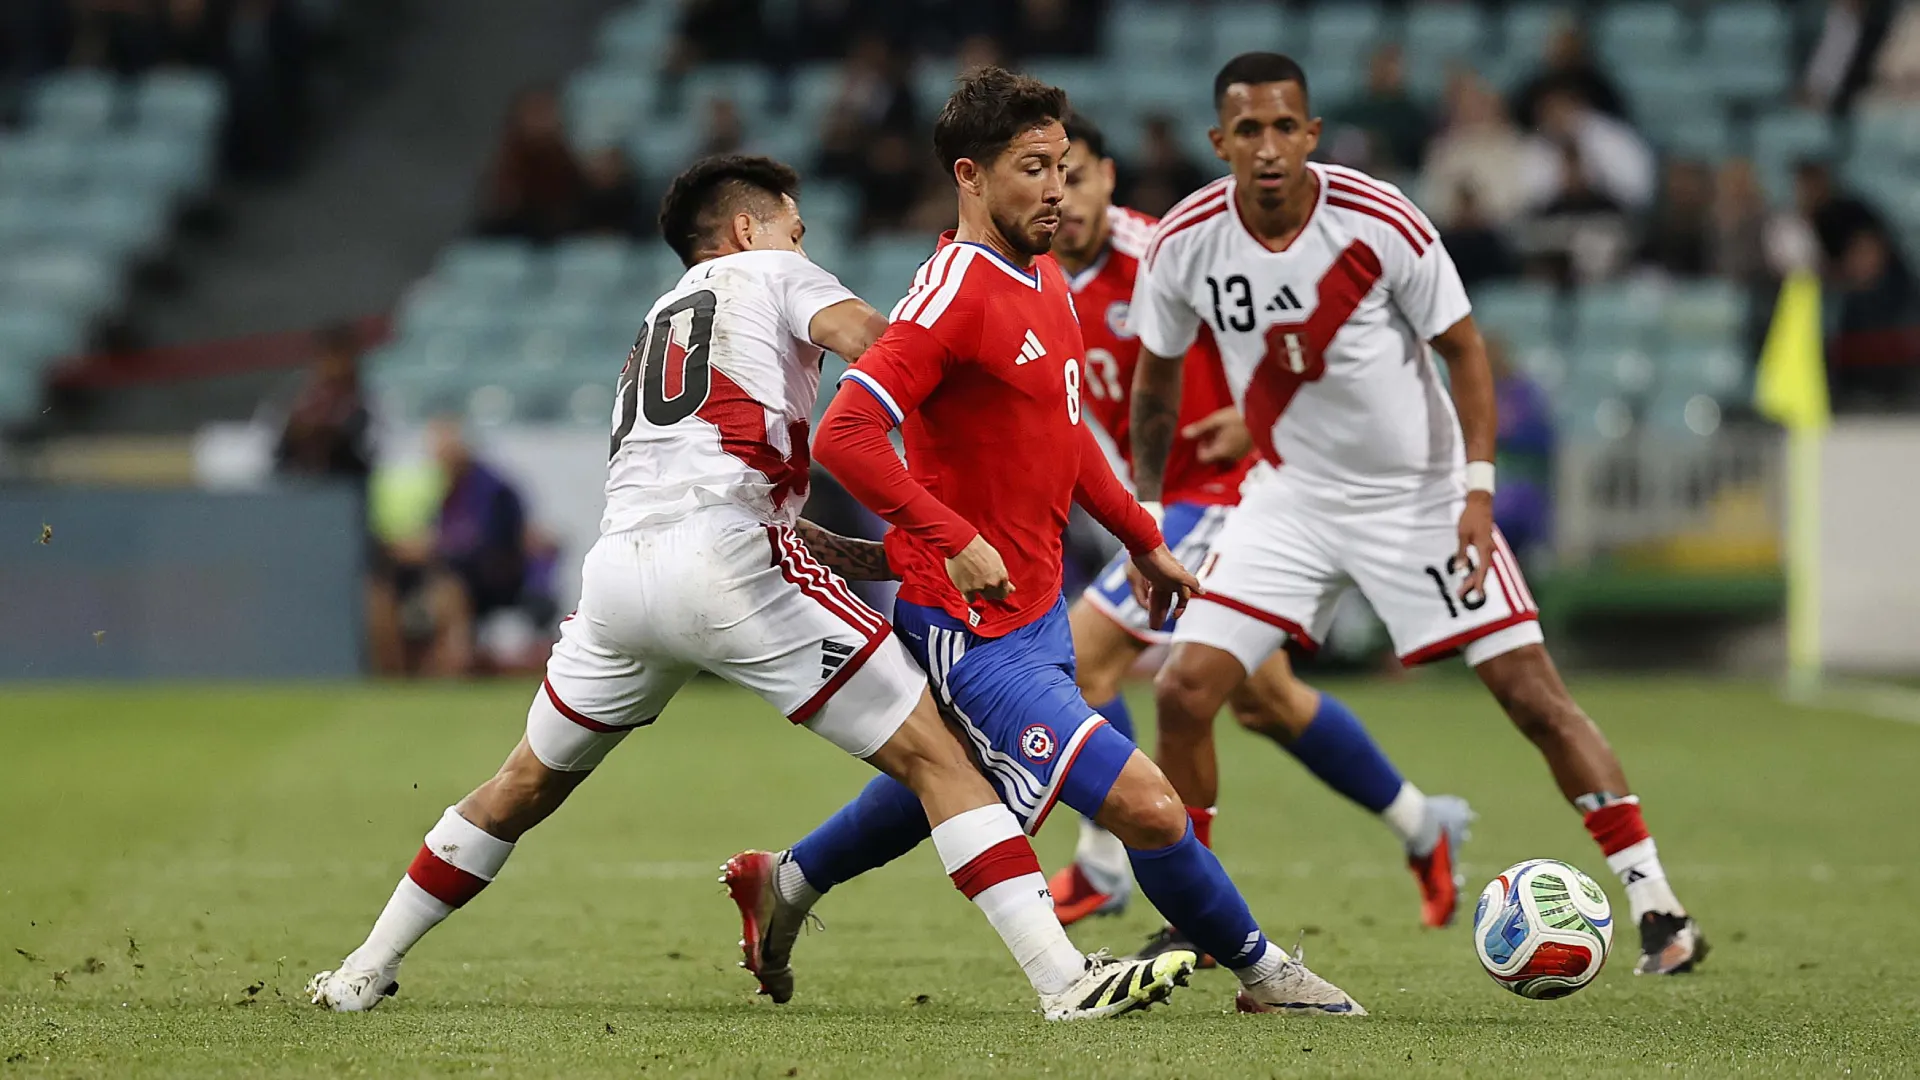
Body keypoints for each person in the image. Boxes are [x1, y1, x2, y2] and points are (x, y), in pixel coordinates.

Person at [312, 155, 1171, 1021]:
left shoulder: (661, 319)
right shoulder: (774, 270)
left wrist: (874, 550)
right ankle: (1062, 980)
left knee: (521, 785)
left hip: (621, 578)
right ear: (747, 229)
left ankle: (361, 969)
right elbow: (885, 347)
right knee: (942, 758)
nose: (804, 245)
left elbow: (713, 472)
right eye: (796, 228)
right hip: (728, 562)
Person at [722, 68, 1365, 1017]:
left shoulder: (1043, 272)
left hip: (1038, 612)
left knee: (948, 780)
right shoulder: (952, 295)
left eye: (1062, 166)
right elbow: (847, 434)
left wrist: (1141, 538)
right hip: (971, 629)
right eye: (1034, 168)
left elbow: (1064, 437)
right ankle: (1264, 974)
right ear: (971, 176)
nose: (1058, 188)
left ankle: (784, 882)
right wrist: (951, 537)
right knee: (1148, 806)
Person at [1128, 52, 1708, 978]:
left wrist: (1476, 490)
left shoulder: (1380, 217)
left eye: (1285, 127)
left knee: (1532, 698)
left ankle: (1658, 906)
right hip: (1289, 497)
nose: (1268, 147)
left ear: (1312, 134)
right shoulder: (1185, 241)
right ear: (1219, 141)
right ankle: (1198, 917)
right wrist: (1149, 516)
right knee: (1182, 691)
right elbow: (1156, 385)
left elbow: (1467, 351)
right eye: (1248, 130)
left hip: (1420, 496)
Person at [1040, 112, 1472, 943]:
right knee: (1264, 702)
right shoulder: (1037, 276)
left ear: (1108, 177)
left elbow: (1288, 321)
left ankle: (1103, 860)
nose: (1067, 197)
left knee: (1082, 659)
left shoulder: (1159, 252)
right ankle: (1425, 824)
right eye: (1051, 178)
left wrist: (1254, 412)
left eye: (1079, 174)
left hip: (1229, 492)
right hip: (1160, 498)